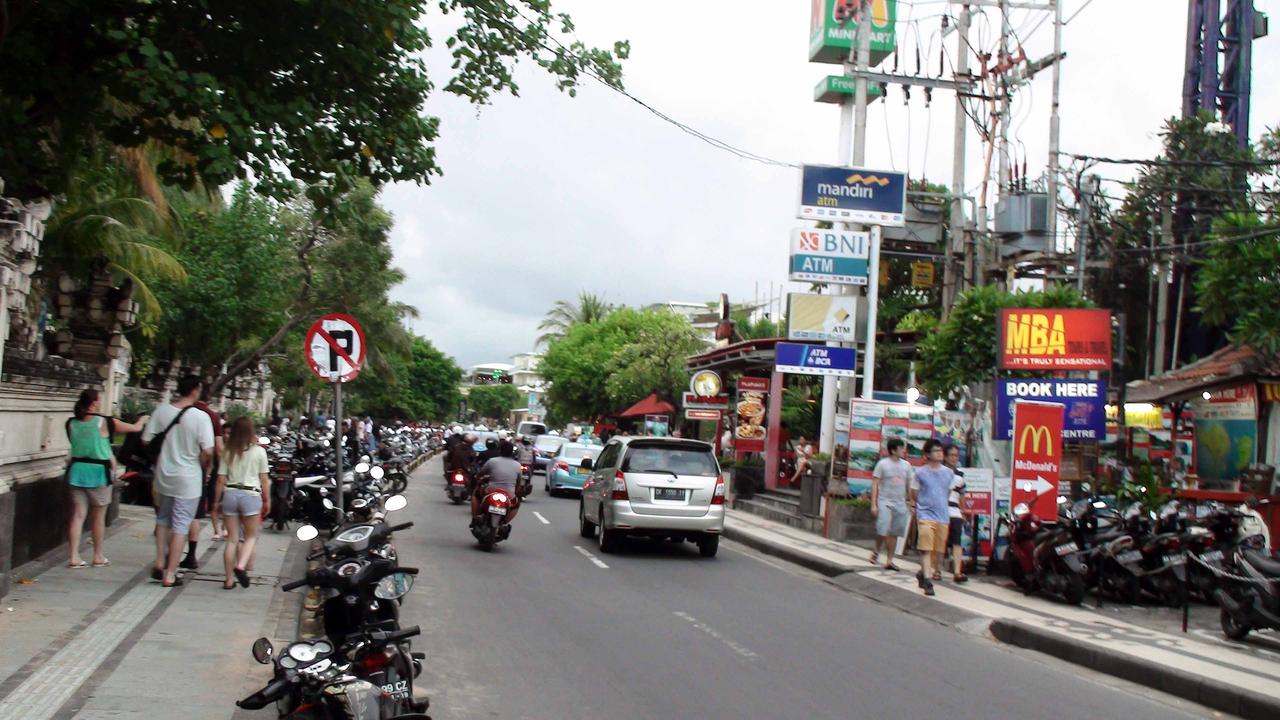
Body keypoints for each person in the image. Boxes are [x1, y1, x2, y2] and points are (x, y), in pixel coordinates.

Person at [64, 389, 149, 569]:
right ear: (94, 403)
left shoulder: (71, 423)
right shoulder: (104, 421)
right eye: (100, 400)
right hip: (98, 473)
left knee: (77, 515)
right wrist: (143, 419)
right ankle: (97, 555)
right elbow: (135, 429)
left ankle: (73, 556)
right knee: (98, 516)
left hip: (77, 470)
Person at [143, 375, 215, 587]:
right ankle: (170, 574)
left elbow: (146, 440)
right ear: (195, 390)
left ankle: (159, 561)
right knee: (181, 524)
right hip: (189, 478)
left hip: (164, 475)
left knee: (163, 519)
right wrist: (201, 462)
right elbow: (208, 451)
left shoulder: (162, 411)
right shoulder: (200, 417)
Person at [214, 416, 270, 590]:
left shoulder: (228, 452)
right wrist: (267, 500)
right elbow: (264, 479)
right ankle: (241, 566)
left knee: (231, 539)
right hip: (250, 495)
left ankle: (229, 580)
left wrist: (216, 502)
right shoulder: (259, 452)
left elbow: (220, 479)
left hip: (230, 494)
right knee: (250, 536)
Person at [184, 390, 224, 565]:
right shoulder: (212, 417)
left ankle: (164, 558)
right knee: (194, 513)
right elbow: (216, 448)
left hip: (171, 469)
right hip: (197, 470)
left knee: (169, 517)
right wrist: (214, 468)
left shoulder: (178, 411)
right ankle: (191, 555)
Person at [911, 440, 955, 597]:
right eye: (936, 451)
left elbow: (947, 493)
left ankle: (922, 573)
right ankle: (928, 582)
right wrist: (922, 506)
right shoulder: (920, 473)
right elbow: (914, 493)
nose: (939, 453)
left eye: (941, 451)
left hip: (942, 516)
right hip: (925, 515)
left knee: (937, 551)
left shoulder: (949, 473)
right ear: (927, 455)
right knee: (925, 548)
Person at [870, 438, 914, 571]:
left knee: (895, 531)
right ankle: (877, 550)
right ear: (894, 450)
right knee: (882, 528)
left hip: (900, 502)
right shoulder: (882, 464)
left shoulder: (906, 465)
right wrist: (874, 504)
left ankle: (889, 560)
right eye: (901, 448)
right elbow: (875, 484)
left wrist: (911, 501)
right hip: (885, 501)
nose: (903, 451)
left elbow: (909, 485)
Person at [472, 440, 522, 524]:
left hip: (491, 490)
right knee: (516, 505)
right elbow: (518, 482)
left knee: (475, 495)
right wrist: (515, 491)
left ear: (500, 450)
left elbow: (481, 473)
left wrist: (478, 478)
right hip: (509, 493)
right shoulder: (517, 465)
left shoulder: (492, 461)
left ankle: (475, 517)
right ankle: (505, 522)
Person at [943, 445, 968, 583]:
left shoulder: (960, 475)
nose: (954, 458)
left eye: (956, 455)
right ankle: (936, 569)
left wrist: (963, 511)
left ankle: (957, 571)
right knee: (941, 541)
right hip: (941, 510)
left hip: (955, 511)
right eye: (951, 455)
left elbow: (962, 494)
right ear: (945, 457)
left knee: (957, 541)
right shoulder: (939, 472)